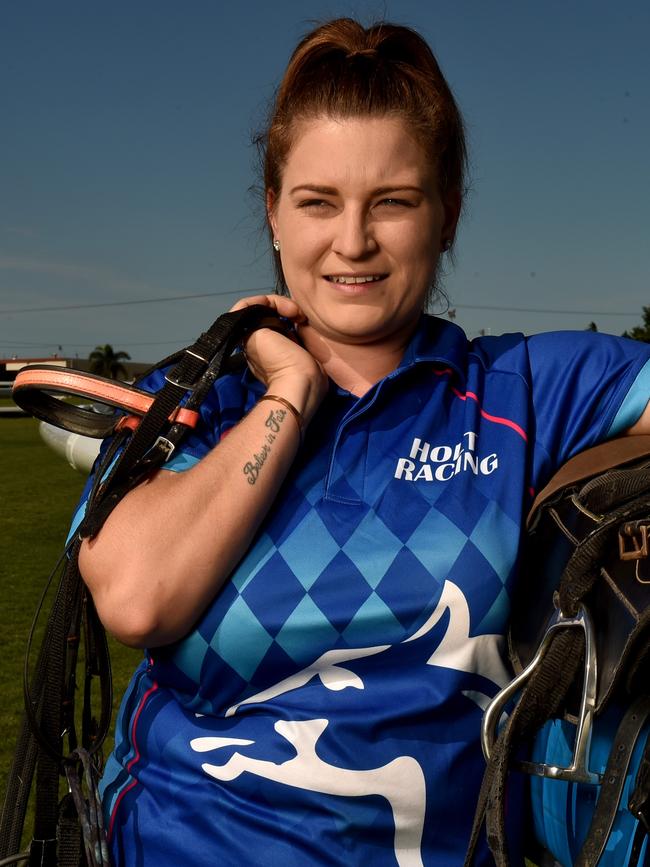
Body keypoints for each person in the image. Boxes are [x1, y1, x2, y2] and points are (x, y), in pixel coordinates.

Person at [72, 17, 650, 867]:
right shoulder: (197, 399)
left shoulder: (524, 389)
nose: (353, 241)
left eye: (393, 202)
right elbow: (135, 596)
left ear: (447, 215)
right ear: (273, 214)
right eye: (317, 202)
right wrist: (289, 394)